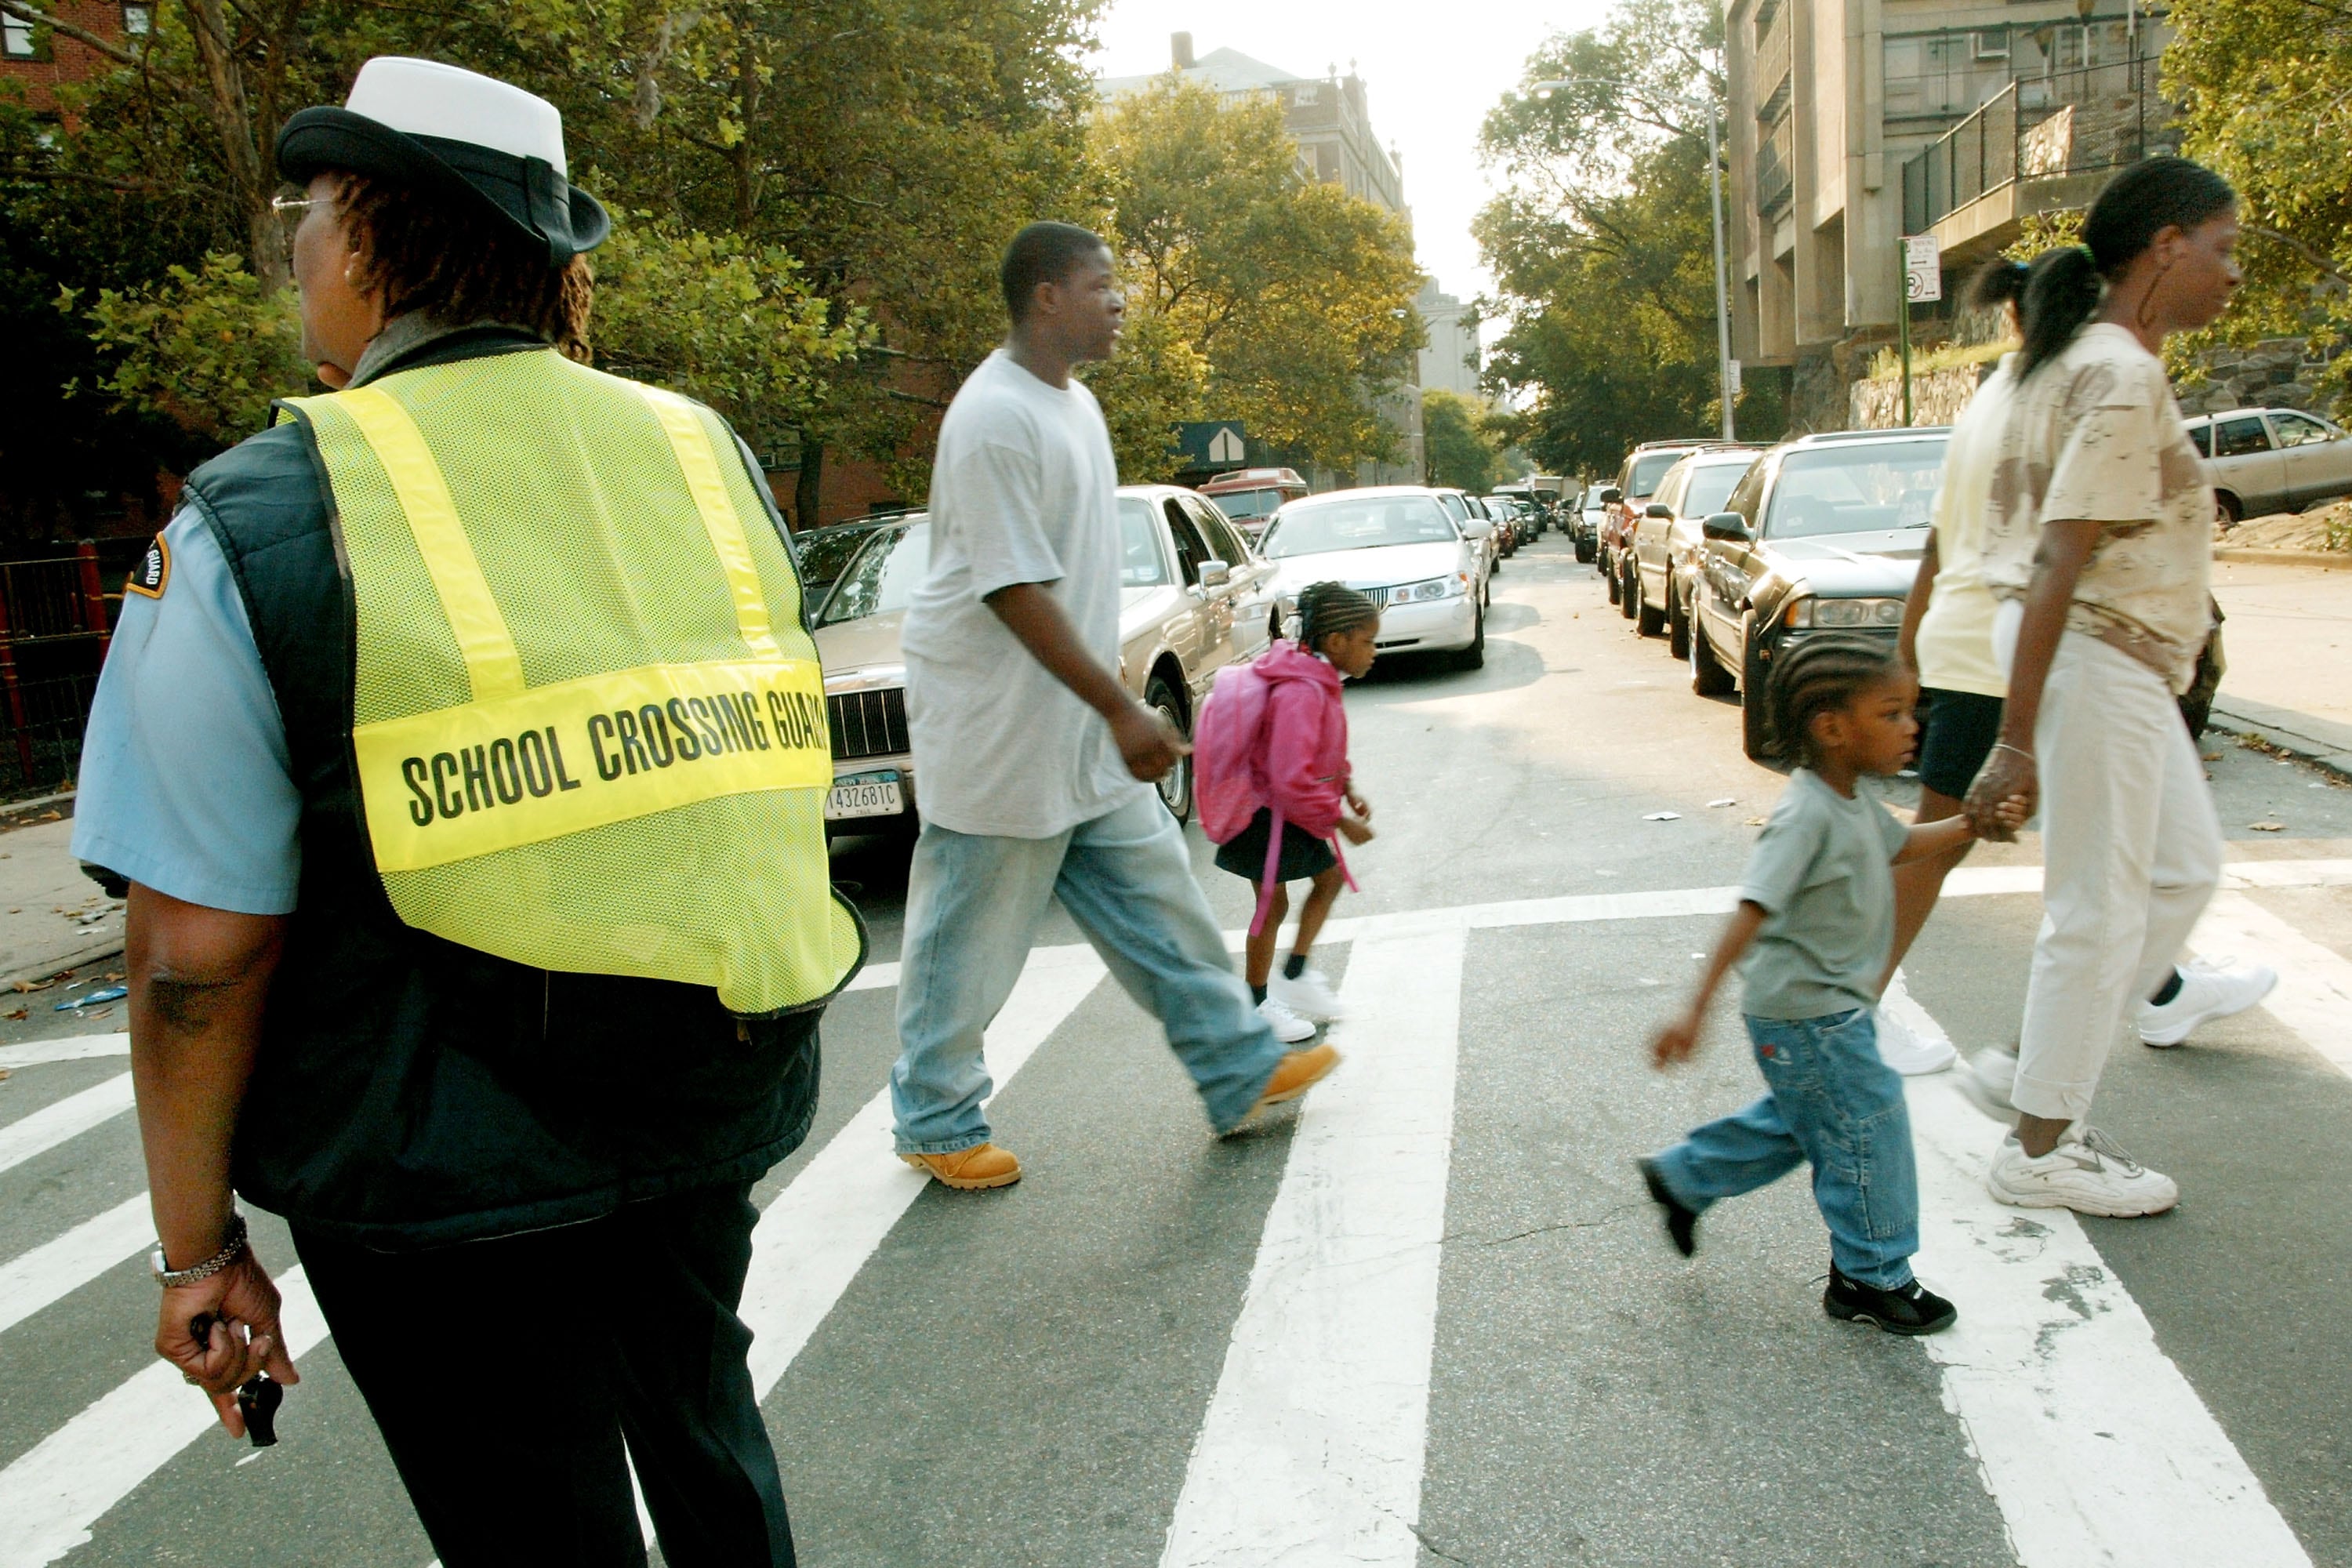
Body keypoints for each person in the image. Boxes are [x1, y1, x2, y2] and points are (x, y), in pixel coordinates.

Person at [71, 58, 861, 1566]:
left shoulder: (263, 515)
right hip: (704, 1084)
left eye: (306, 214)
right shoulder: (705, 457)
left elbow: (195, 955)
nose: (296, 248)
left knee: (530, 1530)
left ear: (366, 238)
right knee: (709, 1453)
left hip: (432, 1167)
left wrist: (196, 1249)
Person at [889, 221, 1338, 1191]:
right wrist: (1123, 708)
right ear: (1046, 296)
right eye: (1101, 283)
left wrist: (1115, 707)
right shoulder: (992, 418)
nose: (1120, 299)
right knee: (965, 940)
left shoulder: (1074, 404)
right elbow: (1012, 591)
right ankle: (932, 1116)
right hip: (1000, 732)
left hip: (1081, 727)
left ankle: (1236, 1067)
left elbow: (1066, 581)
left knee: (1163, 906)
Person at [1964, 157, 2275, 1216]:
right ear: (2166, 246)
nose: (2231, 274)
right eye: (2223, 249)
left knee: (2182, 873)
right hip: (2090, 652)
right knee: (2096, 912)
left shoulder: (2058, 361)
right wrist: (2013, 743)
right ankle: (2041, 1151)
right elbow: (2060, 553)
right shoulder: (2114, 370)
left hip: (2104, 658)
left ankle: (2036, 1061)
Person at [1639, 637, 2021, 1336]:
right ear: (1833, 728)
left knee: (1808, 1119)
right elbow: (1751, 908)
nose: (1914, 727)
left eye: (1913, 710)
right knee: (1868, 1131)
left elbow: (1901, 845)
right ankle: (1871, 1276)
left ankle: (1685, 1176)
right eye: (1894, 712)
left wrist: (1974, 822)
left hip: (1824, 1011)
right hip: (1810, 1015)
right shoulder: (1805, 815)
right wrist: (1695, 1009)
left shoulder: (1847, 800)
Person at [1205, 582, 1381, 1044]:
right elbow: (1289, 774)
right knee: (1274, 902)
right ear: (1336, 642)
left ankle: (1291, 977)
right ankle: (1260, 1001)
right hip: (1268, 814)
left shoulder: (1316, 679)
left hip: (1283, 811)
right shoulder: (1302, 691)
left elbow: (1323, 749)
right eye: (1368, 641)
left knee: (1317, 884)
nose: (1374, 652)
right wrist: (1338, 818)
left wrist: (1347, 785)